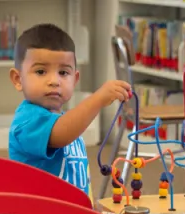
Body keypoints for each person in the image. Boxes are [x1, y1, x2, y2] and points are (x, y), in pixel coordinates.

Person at [8, 23, 131, 198]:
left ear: (75, 79)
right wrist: (97, 99)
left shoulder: (65, 120)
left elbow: (77, 179)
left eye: (63, 73)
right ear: (18, 79)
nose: (54, 81)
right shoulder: (27, 121)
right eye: (41, 71)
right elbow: (62, 132)